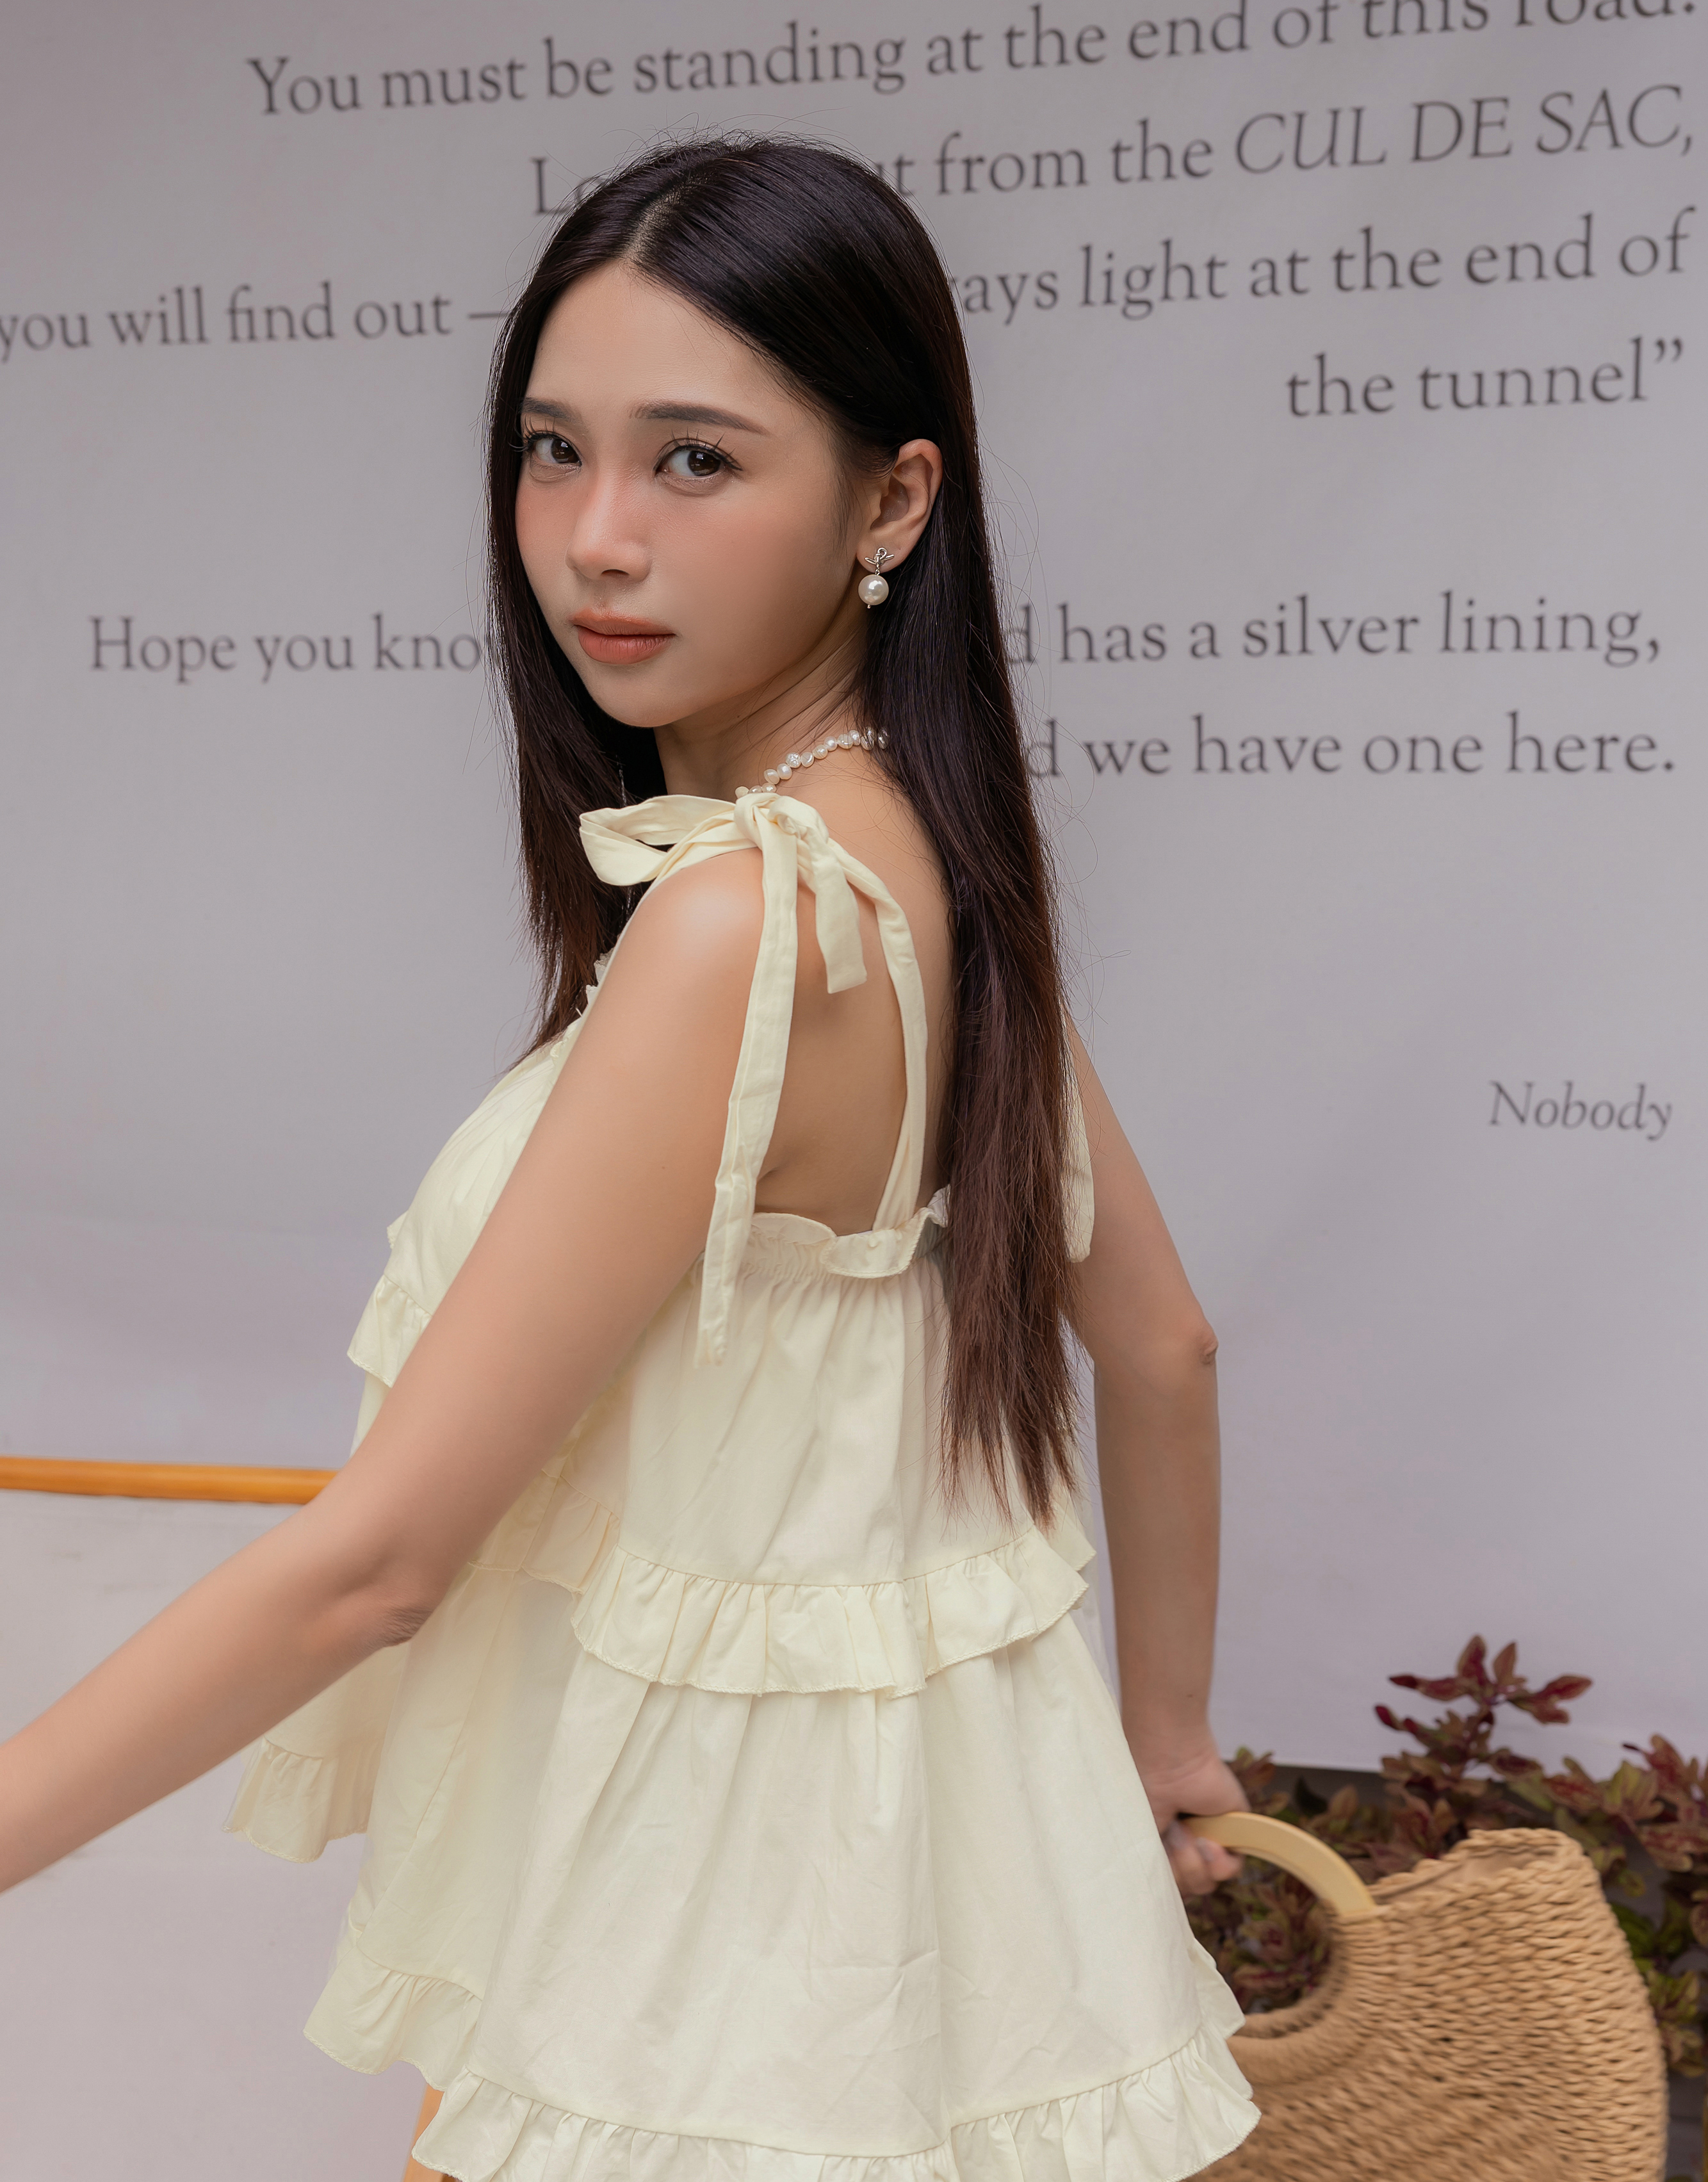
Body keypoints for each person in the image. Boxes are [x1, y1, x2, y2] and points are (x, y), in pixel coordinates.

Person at [0, 138, 1257, 2182]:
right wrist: (1165, 1736)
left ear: (891, 502)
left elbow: (379, 1565)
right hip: (903, 1965)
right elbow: (1165, 1343)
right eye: (550, 451)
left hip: (717, 1992)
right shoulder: (924, 869)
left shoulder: (748, 922)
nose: (593, 539)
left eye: (692, 461)